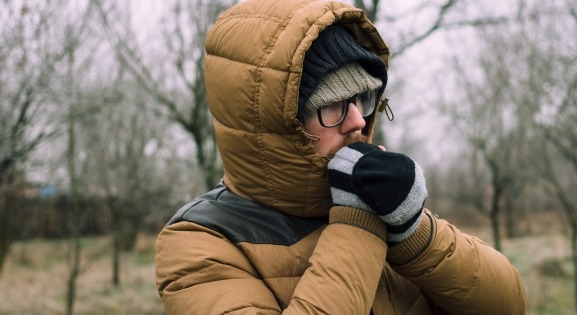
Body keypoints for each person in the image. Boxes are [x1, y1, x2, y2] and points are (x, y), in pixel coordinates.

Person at [154, 0, 527, 314]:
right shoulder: (200, 242)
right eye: (331, 106)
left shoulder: (373, 192)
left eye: (362, 100)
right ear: (277, 125)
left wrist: (415, 233)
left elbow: (509, 304)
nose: (357, 122)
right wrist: (358, 223)